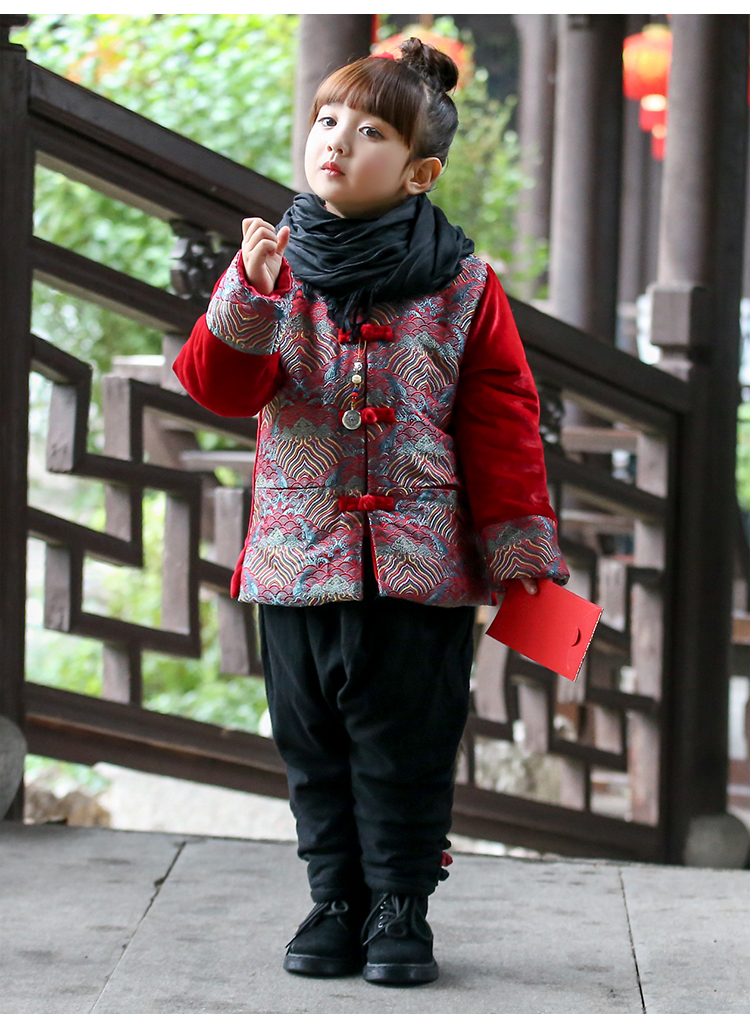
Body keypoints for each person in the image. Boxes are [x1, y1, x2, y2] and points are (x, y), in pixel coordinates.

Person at [174, 38, 569, 987]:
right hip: (296, 556)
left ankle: (400, 903)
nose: (336, 141)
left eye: (370, 131)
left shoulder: (465, 286)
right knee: (308, 738)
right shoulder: (275, 269)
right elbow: (218, 387)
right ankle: (334, 899)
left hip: (419, 561)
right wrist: (249, 293)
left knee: (408, 742)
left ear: (419, 171)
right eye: (327, 120)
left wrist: (520, 558)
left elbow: (502, 421)